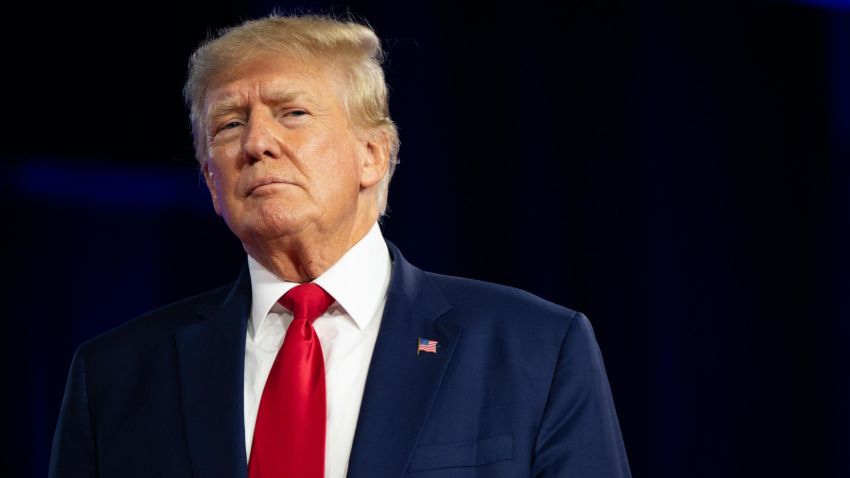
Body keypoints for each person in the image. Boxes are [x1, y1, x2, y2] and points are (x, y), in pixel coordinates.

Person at [49, 13, 631, 478]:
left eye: (292, 113)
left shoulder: (535, 348)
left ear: (372, 156)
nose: (256, 143)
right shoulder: (115, 376)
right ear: (210, 180)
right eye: (228, 124)